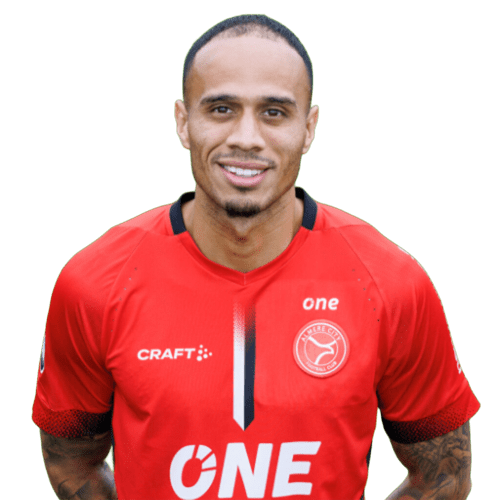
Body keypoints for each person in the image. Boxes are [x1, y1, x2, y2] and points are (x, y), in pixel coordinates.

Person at [32, 14, 480, 500]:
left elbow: (445, 477)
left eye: (274, 112)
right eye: (221, 109)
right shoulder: (95, 283)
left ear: (308, 128)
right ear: (183, 122)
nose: (247, 137)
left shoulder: (391, 283)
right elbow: (70, 461)